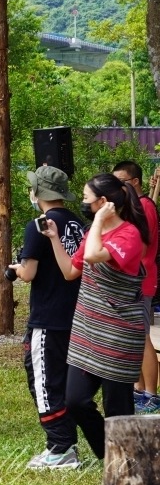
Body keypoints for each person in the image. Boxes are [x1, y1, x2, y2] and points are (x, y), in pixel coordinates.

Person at [42, 173, 149, 464]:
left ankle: (126, 469)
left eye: (88, 200)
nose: (85, 205)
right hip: (88, 335)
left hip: (119, 334)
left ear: (103, 203)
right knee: (75, 401)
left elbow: (91, 257)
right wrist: (54, 239)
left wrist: (100, 222)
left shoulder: (129, 235)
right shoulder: (93, 233)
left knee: (119, 411)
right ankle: (114, 461)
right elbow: (70, 272)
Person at [7, 165, 84, 469]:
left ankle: (60, 447)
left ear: (38, 192)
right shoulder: (78, 223)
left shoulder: (39, 224)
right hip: (76, 315)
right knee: (62, 380)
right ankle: (65, 443)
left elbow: (28, 273)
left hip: (48, 317)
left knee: (43, 381)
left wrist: (15, 268)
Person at [111, 161, 160, 413]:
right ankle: (138, 390)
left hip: (140, 282)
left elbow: (139, 247)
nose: (117, 187)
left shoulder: (144, 207)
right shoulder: (137, 206)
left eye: (121, 182)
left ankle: (151, 394)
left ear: (135, 182)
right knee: (133, 339)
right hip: (132, 282)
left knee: (142, 338)